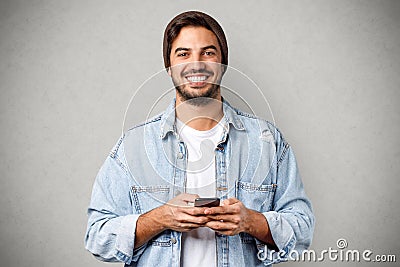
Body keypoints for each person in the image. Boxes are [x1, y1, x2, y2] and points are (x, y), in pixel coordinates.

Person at [85, 10, 314, 267]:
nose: (196, 64)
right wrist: (160, 218)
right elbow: (97, 236)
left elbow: (302, 228)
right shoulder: (133, 146)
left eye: (208, 52)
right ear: (169, 67)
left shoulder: (267, 141)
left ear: (222, 63)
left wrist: (251, 221)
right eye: (183, 54)